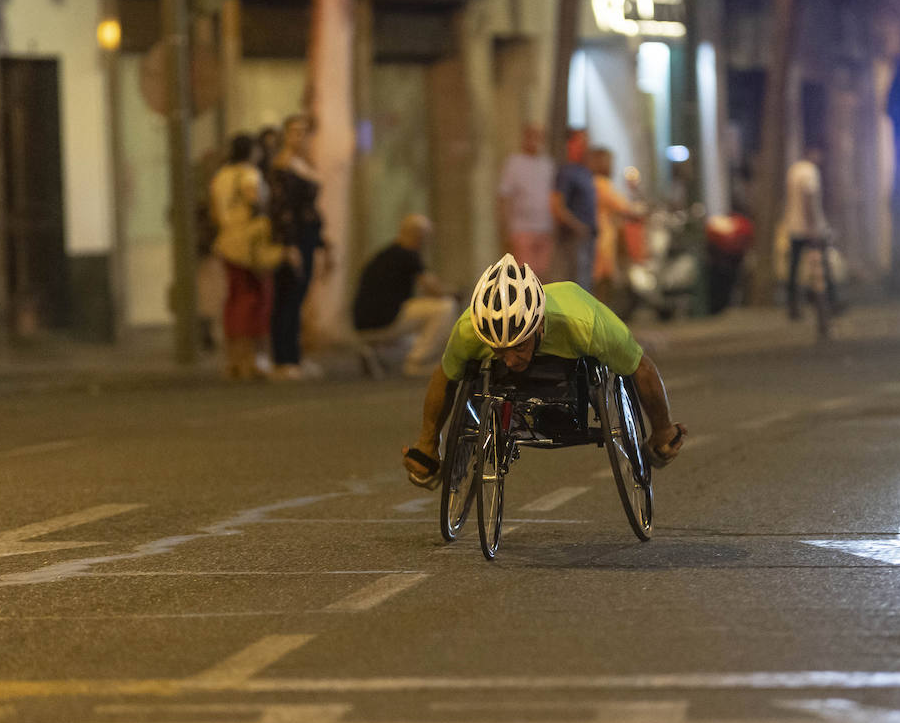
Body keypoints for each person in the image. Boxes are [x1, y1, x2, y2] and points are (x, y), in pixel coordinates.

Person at [400, 254, 687, 488]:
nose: (510, 360)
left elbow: (640, 367)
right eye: (499, 351)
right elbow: (446, 376)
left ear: (538, 327)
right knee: (465, 369)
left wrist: (662, 430)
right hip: (508, 377)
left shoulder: (585, 322)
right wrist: (427, 444)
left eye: (518, 347)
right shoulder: (470, 330)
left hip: (572, 353)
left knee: (625, 363)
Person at [209, 133, 292, 380]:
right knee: (256, 298)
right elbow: (254, 200)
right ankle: (253, 359)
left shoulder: (220, 177)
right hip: (249, 241)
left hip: (226, 240)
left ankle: (234, 359)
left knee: (234, 298)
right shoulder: (249, 174)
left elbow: (215, 212)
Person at [352, 215, 458, 377]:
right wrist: (455, 293)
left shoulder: (383, 255)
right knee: (445, 306)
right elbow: (433, 289)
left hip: (363, 324)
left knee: (415, 340)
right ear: (419, 236)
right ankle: (417, 363)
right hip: (387, 320)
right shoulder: (409, 255)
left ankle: (375, 353)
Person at [268, 114, 331, 380]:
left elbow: (310, 208)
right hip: (292, 239)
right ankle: (283, 359)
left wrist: (323, 243)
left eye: (304, 132)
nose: (300, 137)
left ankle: (294, 355)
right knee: (288, 297)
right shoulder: (282, 166)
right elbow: (282, 209)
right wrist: (289, 244)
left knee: (298, 296)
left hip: (307, 236)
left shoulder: (303, 164)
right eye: (294, 131)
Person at [780, 145, 839, 320]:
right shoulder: (810, 172)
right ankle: (829, 303)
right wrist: (813, 226)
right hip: (809, 228)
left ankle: (793, 307)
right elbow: (809, 199)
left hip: (793, 225)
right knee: (822, 265)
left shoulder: (794, 170)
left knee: (794, 268)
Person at [496, 123, 556, 277]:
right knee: (524, 274)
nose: (535, 141)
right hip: (521, 228)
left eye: (539, 137)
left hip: (545, 228)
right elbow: (504, 196)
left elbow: (553, 196)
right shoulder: (514, 163)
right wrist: (505, 229)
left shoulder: (548, 164)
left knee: (542, 274)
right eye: (532, 136)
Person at [590, 147, 645, 307]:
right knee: (602, 278)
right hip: (603, 237)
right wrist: (637, 210)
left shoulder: (594, 182)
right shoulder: (601, 184)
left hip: (601, 235)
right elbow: (622, 205)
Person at [552, 128, 598, 289]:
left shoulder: (585, 171)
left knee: (587, 280)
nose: (584, 146)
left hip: (588, 236)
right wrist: (577, 226)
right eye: (580, 142)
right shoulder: (566, 172)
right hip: (574, 238)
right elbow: (557, 205)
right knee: (577, 283)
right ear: (570, 145)